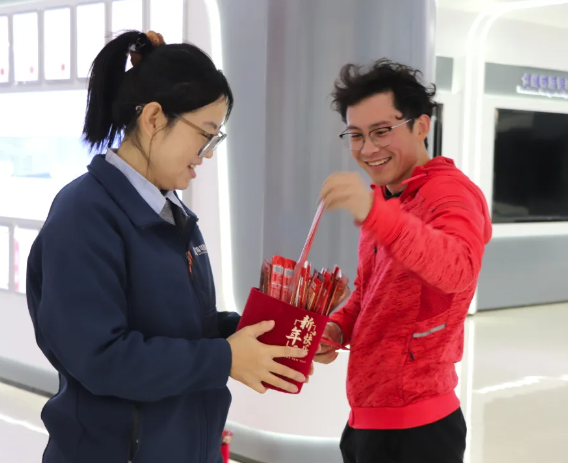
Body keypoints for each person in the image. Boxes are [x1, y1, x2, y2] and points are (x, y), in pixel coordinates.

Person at [25, 30, 309, 463]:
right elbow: (101, 358)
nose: (207, 154)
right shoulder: (84, 214)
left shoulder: (172, 213)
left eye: (216, 139)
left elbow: (186, 328)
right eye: (205, 134)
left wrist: (276, 335)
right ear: (155, 118)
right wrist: (223, 359)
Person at [316, 59, 493, 463]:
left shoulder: (451, 194)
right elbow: (370, 293)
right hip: (366, 419)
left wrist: (375, 214)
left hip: (418, 430)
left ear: (421, 126)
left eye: (382, 132)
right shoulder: (385, 198)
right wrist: (336, 329)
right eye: (356, 135)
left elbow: (458, 268)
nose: (367, 149)